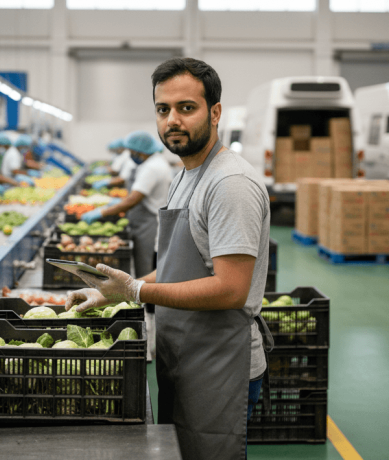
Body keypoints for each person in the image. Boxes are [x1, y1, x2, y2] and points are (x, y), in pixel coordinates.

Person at [67, 57, 273, 460]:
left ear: (215, 113)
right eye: (163, 110)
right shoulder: (183, 174)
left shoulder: (229, 183)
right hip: (184, 352)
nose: (172, 120)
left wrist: (139, 291)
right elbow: (181, 266)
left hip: (221, 363)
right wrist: (118, 293)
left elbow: (231, 289)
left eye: (186, 108)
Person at [81, 131, 172, 278]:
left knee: (146, 265)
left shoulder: (152, 168)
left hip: (150, 223)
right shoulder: (152, 162)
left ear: (139, 151)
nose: (129, 155)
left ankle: (147, 300)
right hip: (143, 219)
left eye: (131, 151)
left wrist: (102, 212)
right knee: (142, 265)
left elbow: (133, 200)